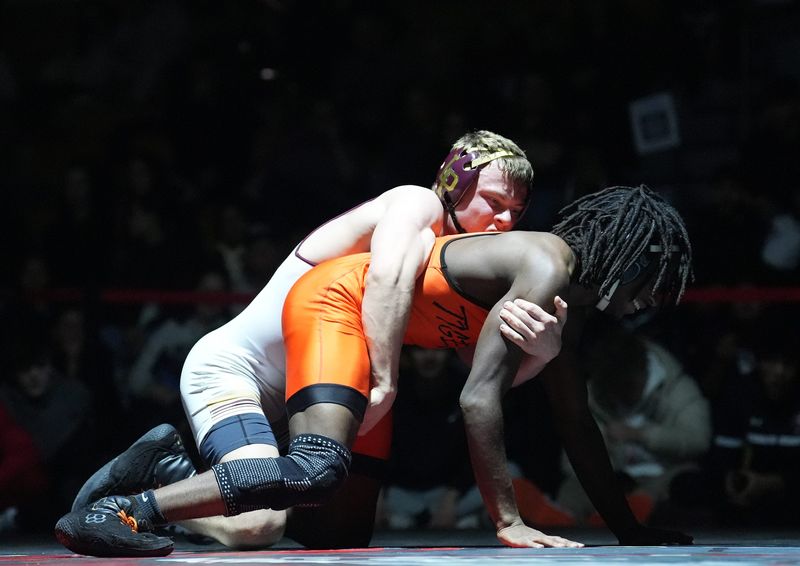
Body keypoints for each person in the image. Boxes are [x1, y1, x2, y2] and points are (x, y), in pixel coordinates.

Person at [57, 185, 695, 557]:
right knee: (314, 470)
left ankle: (171, 474)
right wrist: (507, 520)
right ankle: (127, 510)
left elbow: (575, 422)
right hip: (337, 300)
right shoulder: (547, 263)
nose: (653, 300)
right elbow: (478, 398)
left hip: (358, 335)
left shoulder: (565, 311)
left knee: (334, 531)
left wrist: (628, 530)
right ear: (627, 254)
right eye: (654, 281)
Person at [63, 130, 564, 553]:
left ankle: (182, 476)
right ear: (454, 186)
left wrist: (544, 351)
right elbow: (387, 280)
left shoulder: (460, 264)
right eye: (494, 203)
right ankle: (160, 482)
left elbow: (479, 368)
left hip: (319, 382)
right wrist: (387, 379)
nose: (503, 223)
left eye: (516, 213)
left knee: (341, 533)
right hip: (237, 372)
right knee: (259, 526)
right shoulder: (417, 203)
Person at [554, 318, 711, 525]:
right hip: (616, 478)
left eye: (627, 388)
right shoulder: (597, 394)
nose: (622, 396)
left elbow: (698, 440)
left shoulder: (675, 387)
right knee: (574, 488)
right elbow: (570, 459)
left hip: (663, 474)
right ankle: (559, 519)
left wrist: (642, 435)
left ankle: (625, 515)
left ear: (642, 373)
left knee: (680, 483)